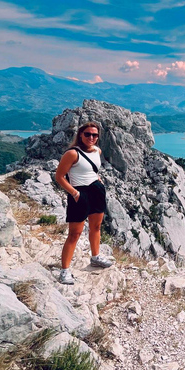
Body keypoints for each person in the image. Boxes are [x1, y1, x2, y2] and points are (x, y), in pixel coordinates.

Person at [55, 121, 113, 284]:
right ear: (80, 134)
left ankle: (95, 257)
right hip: (79, 193)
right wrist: (74, 193)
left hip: (96, 191)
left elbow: (92, 169)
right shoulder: (72, 153)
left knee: (96, 227)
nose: (91, 137)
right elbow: (59, 176)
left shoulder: (97, 150)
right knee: (75, 233)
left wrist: (97, 180)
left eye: (95, 135)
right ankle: (65, 270)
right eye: (87, 134)